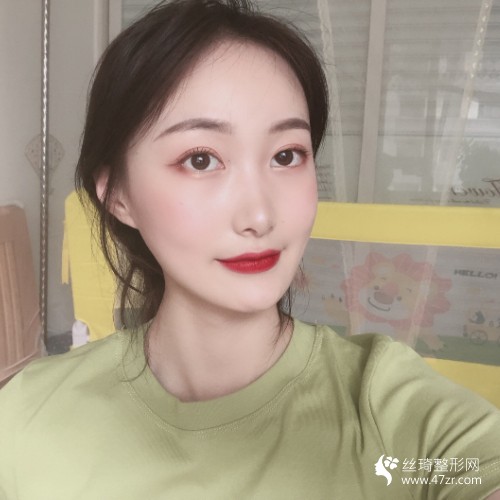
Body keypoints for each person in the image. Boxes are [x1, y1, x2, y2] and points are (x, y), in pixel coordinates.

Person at [1, 0, 499, 498]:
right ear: (118, 196)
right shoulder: (25, 418)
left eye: (286, 155)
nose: (260, 216)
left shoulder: (391, 413)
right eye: (200, 160)